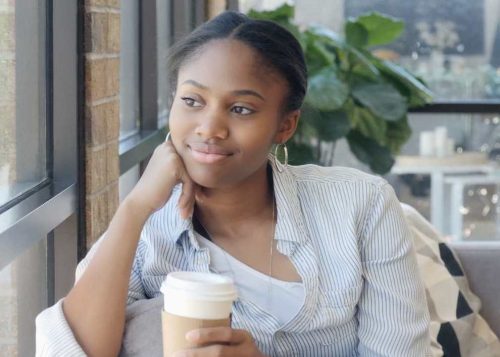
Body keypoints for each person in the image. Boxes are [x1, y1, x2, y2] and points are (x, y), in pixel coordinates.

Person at [36, 10, 430, 357]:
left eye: (241, 109)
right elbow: (68, 351)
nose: (209, 128)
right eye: (192, 101)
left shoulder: (360, 204)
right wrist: (135, 207)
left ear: (285, 125)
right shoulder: (147, 232)